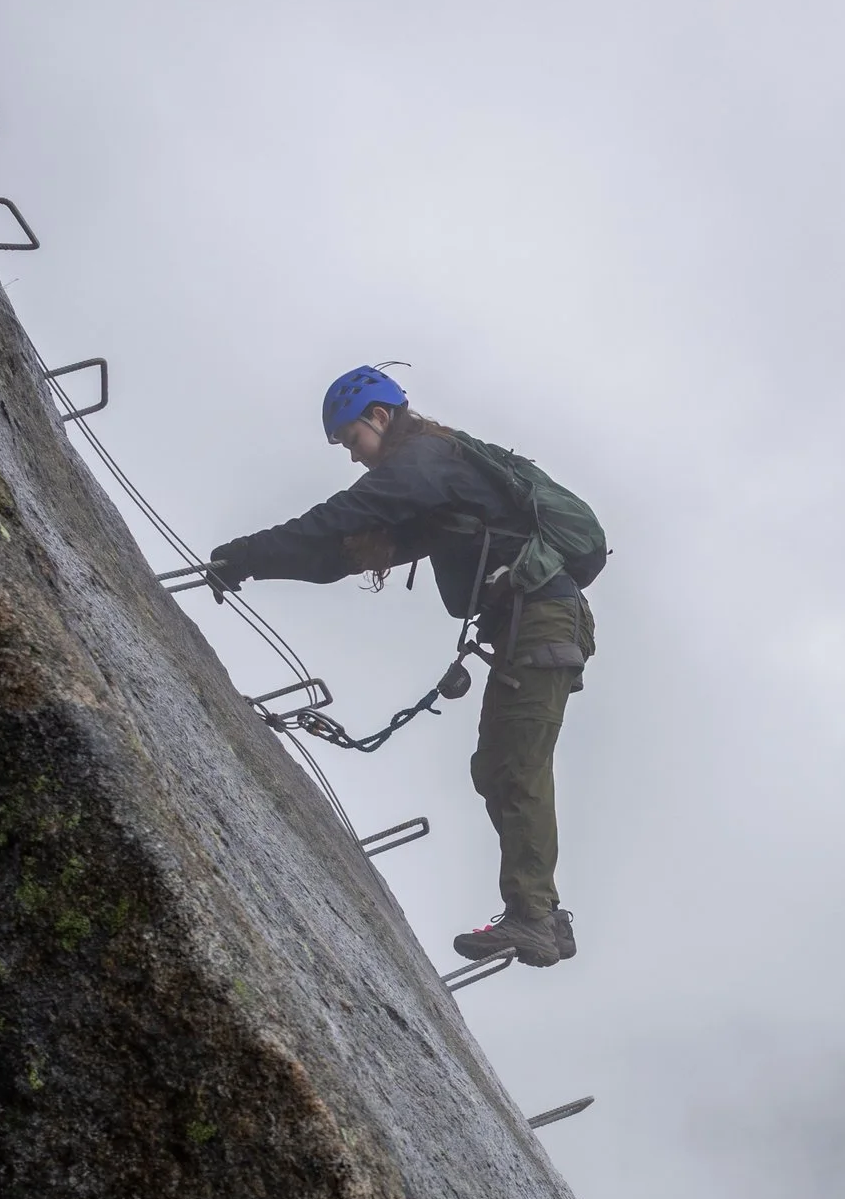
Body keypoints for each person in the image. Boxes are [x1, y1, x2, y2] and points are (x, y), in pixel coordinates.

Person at [206, 367, 607, 969]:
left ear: (379, 416)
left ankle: (534, 918)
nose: (352, 456)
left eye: (350, 440)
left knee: (515, 767)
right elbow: (339, 554)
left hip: (543, 620)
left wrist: (251, 546)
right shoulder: (431, 485)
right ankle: (542, 914)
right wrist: (251, 564)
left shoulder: (425, 459)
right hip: (531, 626)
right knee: (497, 767)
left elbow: (341, 514)